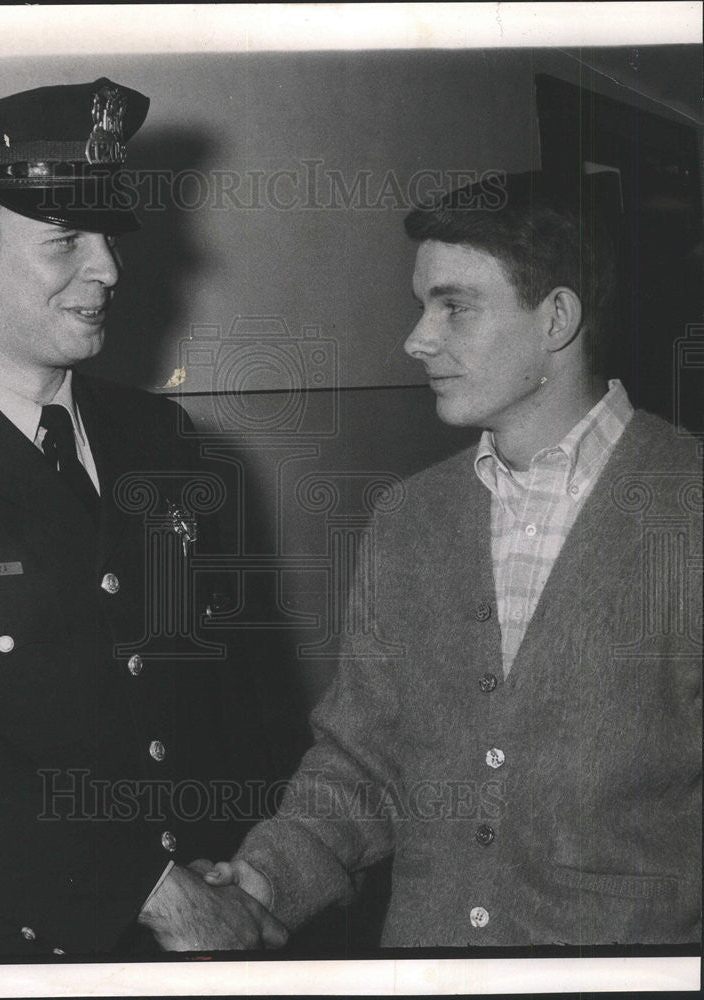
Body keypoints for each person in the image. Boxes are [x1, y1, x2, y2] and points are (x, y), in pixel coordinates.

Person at [202, 172, 702, 947]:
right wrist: (261, 883)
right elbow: (363, 761)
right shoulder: (409, 518)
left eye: (455, 306)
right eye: (421, 304)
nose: (416, 339)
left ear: (556, 318)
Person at [0, 77, 290, 959]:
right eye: (65, 240)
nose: (106, 269)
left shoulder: (164, 440)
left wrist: (258, 869)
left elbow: (235, 694)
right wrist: (147, 891)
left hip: (207, 932)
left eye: (106, 238)